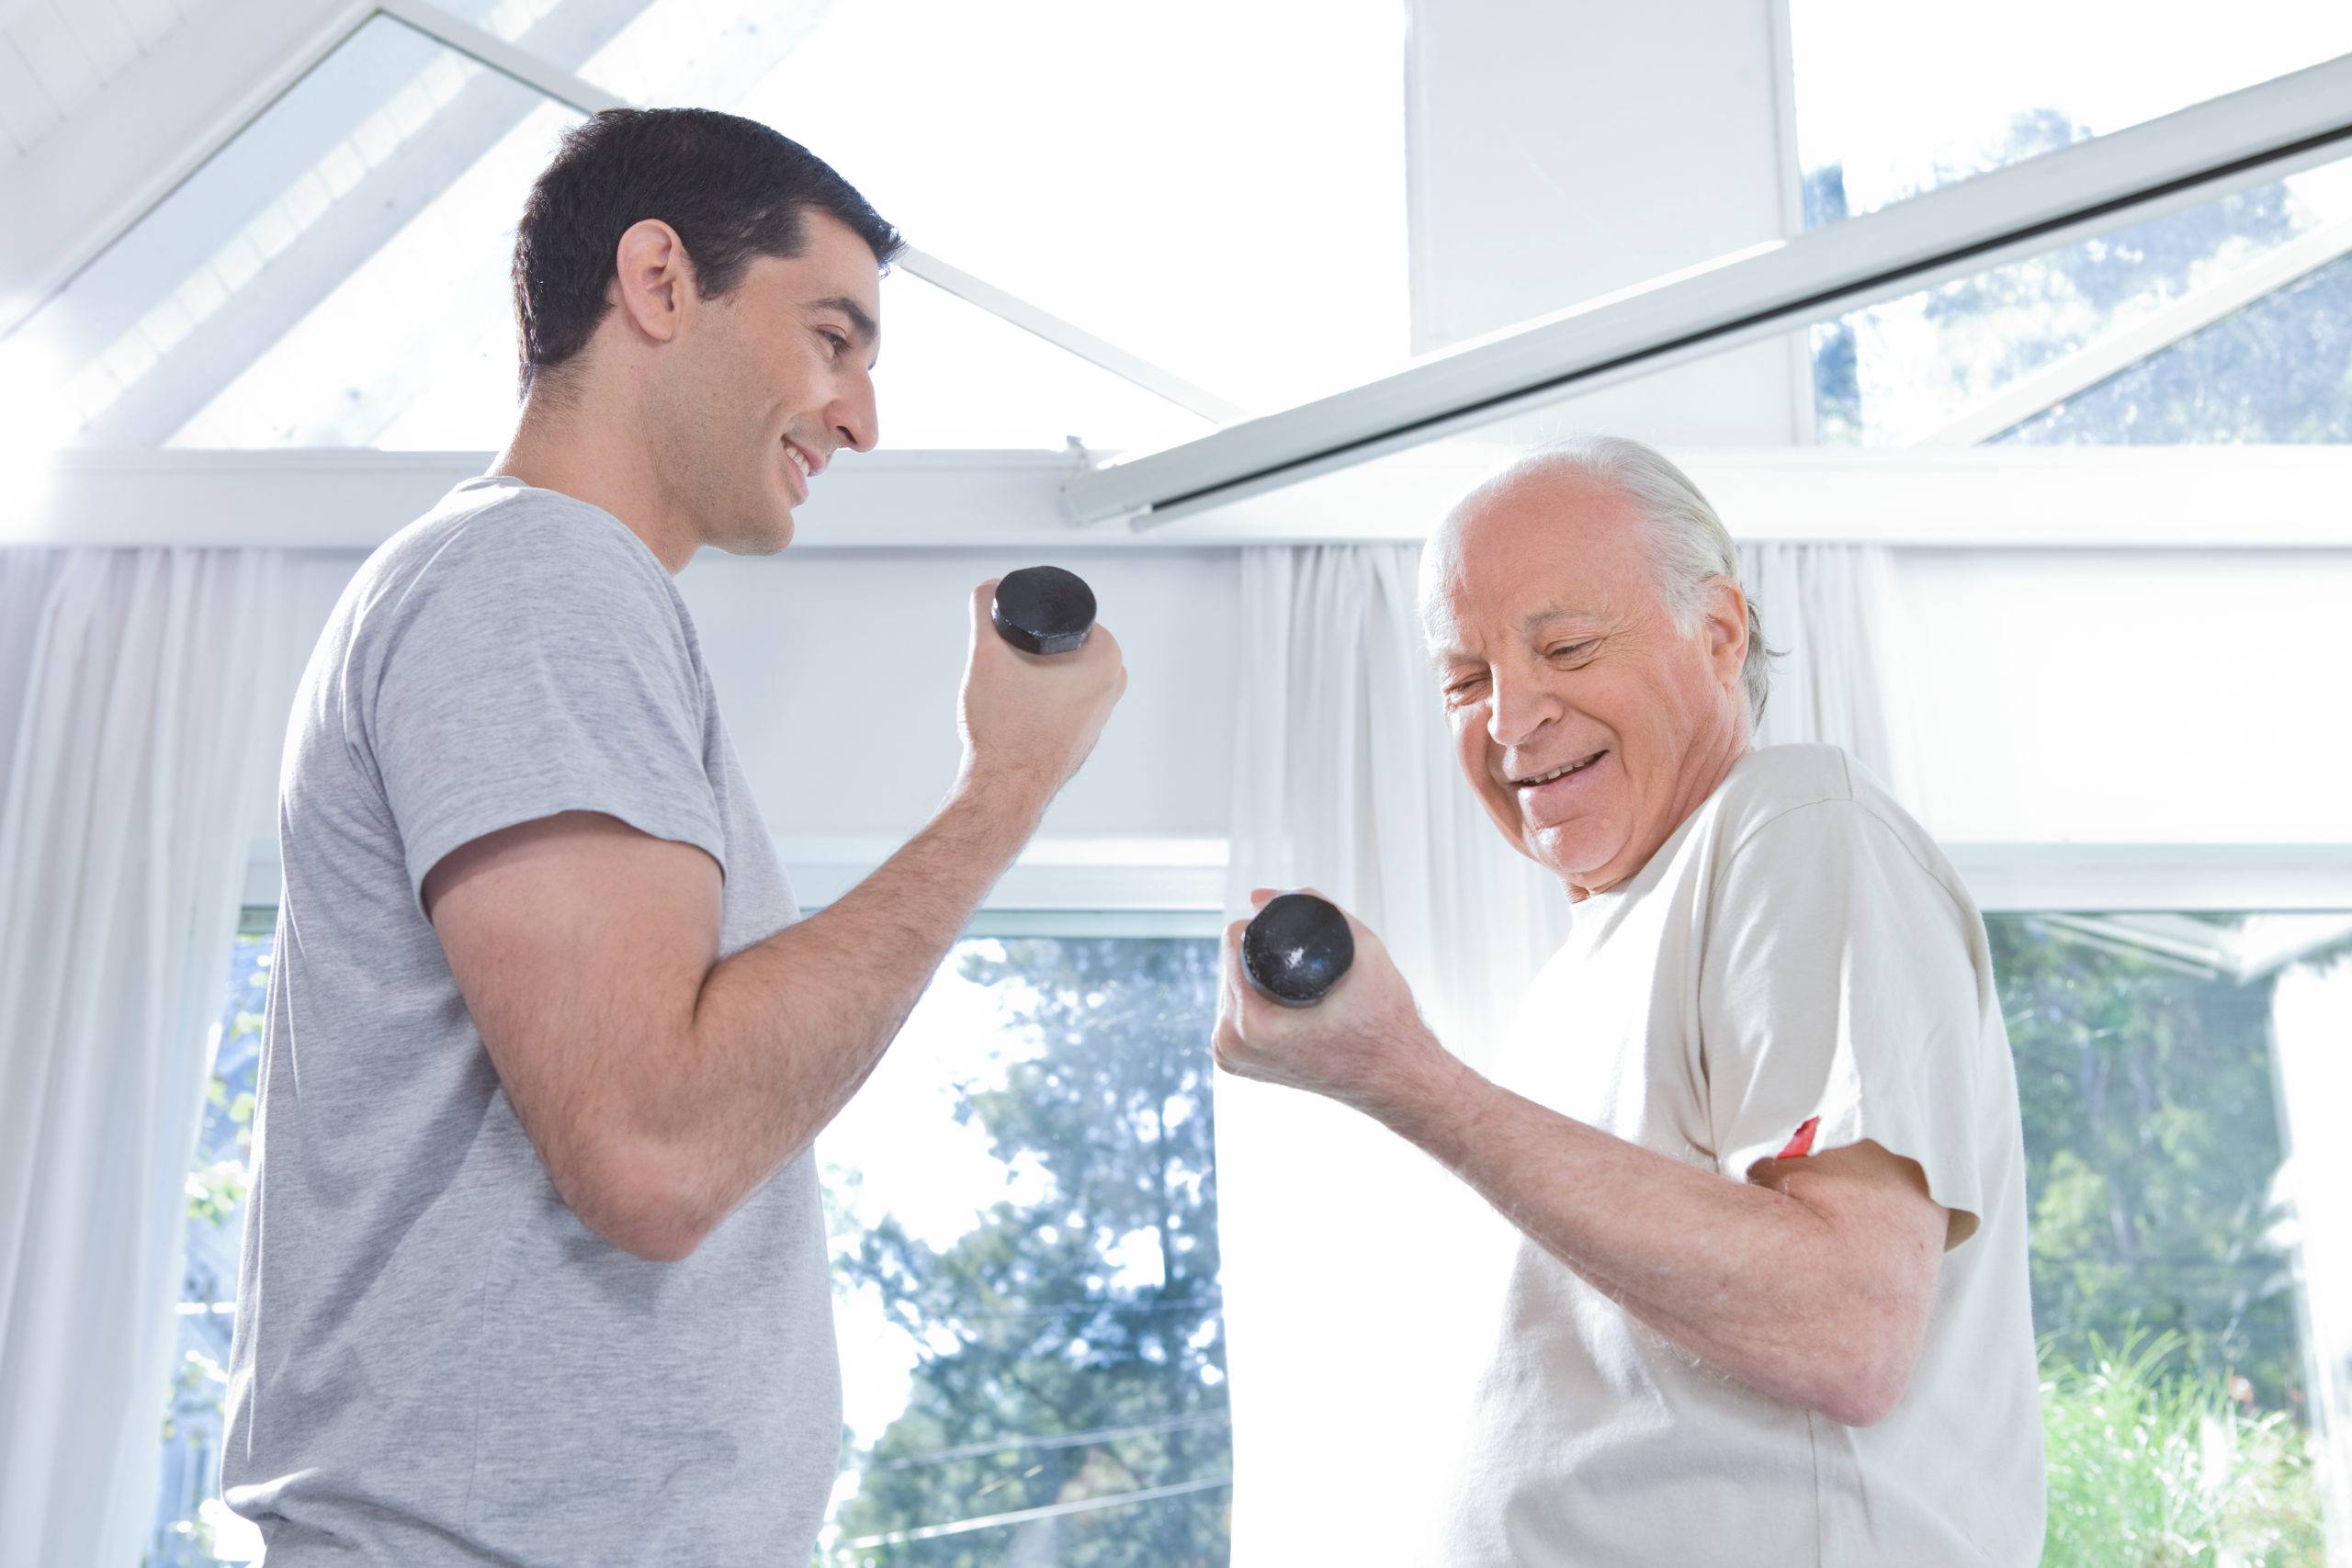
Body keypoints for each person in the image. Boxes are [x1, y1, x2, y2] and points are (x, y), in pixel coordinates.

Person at [222, 107, 1126, 1564]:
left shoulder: (542, 591)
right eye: (834, 339)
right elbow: (654, 1147)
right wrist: (1003, 792)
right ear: (657, 282)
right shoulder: (531, 576)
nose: (862, 417)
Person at [1212, 436, 2043, 1563]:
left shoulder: (1794, 824)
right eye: (1466, 679)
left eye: (1564, 646)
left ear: (1717, 634)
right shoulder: (1584, 970)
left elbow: (1842, 1322)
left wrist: (1405, 1077)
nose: (1507, 720)